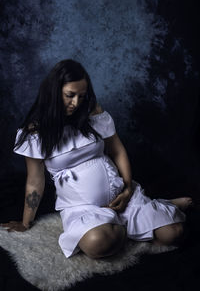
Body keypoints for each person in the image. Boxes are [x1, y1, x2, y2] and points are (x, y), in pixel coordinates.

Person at [1, 59, 193, 259]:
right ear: (53, 92)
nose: (76, 103)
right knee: (98, 244)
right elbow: (35, 181)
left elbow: (117, 151)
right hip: (82, 208)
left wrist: (127, 189)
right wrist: (25, 223)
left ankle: (153, 208)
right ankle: (133, 222)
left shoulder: (92, 113)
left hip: (121, 195)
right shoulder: (36, 133)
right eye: (70, 95)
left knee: (174, 233)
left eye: (81, 96)